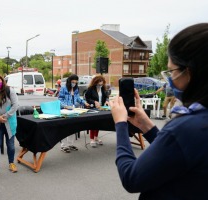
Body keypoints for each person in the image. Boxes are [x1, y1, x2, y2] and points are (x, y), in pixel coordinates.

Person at [109, 23, 208, 199]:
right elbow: (181, 154)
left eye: (172, 71)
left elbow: (132, 178)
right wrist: (148, 127)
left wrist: (121, 124)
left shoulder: (188, 126)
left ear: (190, 72)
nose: (170, 79)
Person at [58, 74, 89, 153]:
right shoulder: (63, 88)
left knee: (72, 128)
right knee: (65, 128)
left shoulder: (76, 89)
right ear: (69, 81)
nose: (74, 83)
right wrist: (65, 106)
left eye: (75, 82)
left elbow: (78, 98)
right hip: (65, 110)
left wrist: (84, 103)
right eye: (72, 82)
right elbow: (60, 99)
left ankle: (70, 144)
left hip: (73, 109)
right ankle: (64, 146)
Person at [85, 75, 109, 147]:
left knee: (98, 123)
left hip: (101, 108)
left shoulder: (103, 89)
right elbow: (87, 98)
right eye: (99, 84)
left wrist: (107, 101)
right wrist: (94, 102)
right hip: (93, 108)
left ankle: (96, 138)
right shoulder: (90, 89)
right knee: (93, 123)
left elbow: (106, 96)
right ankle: (92, 139)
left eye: (101, 83)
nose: (100, 85)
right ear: (95, 83)